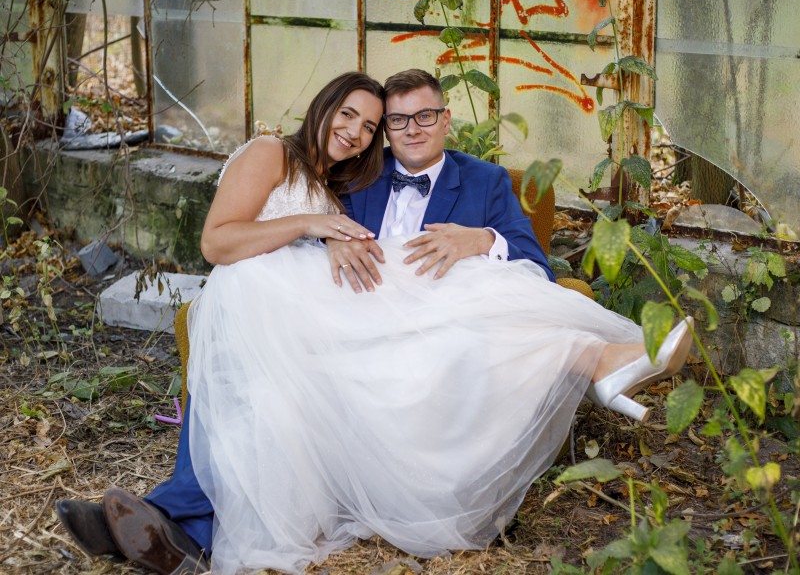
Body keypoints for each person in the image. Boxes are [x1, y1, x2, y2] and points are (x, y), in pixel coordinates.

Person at [55, 69, 694, 575]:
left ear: (445, 118)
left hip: (428, 319)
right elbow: (303, 226)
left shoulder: (487, 181)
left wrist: (480, 241)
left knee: (485, 286)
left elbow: (534, 266)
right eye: (391, 121)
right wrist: (325, 238)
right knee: (256, 373)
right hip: (356, 319)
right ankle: (178, 526)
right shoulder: (357, 175)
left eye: (422, 116)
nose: (403, 129)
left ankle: (601, 356)